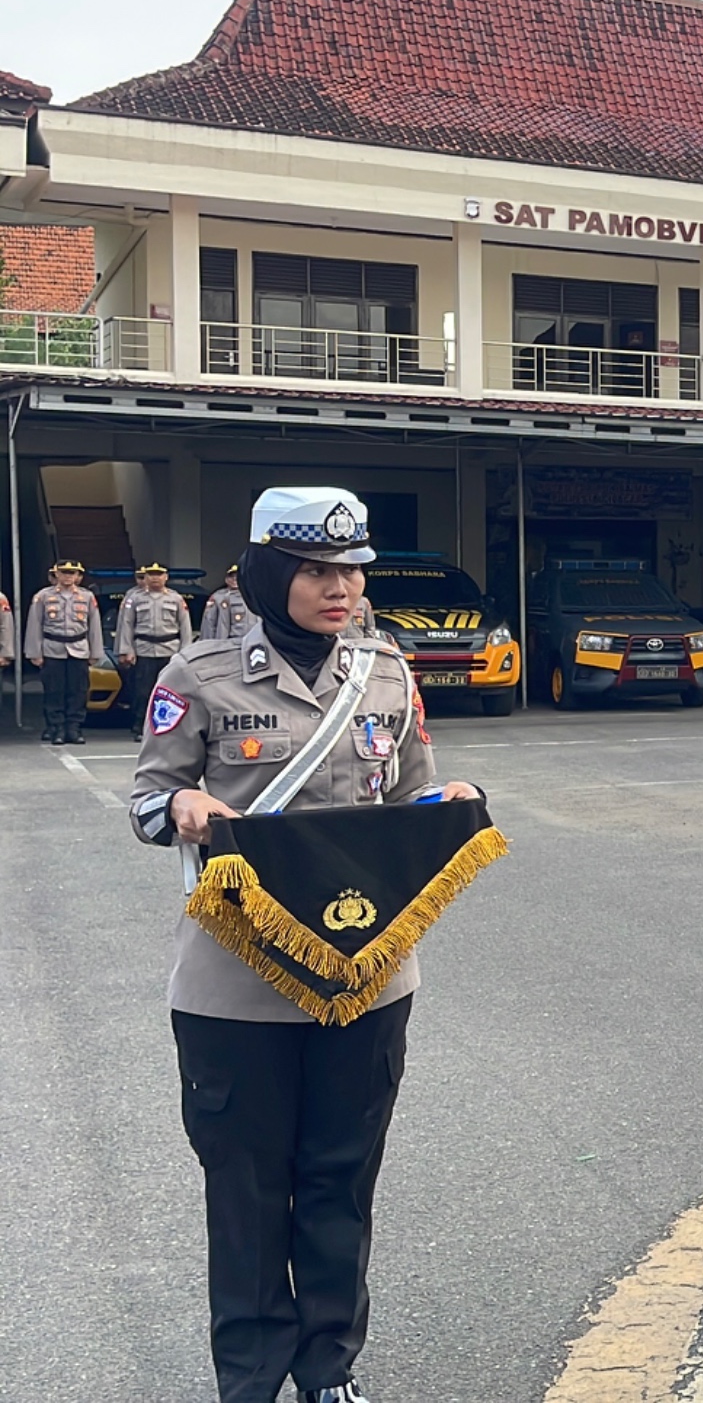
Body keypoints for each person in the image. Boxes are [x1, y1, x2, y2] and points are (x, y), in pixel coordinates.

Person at [129, 487, 481, 1403]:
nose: (341, 590)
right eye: (318, 571)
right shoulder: (199, 675)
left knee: (340, 1179)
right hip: (236, 982)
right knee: (246, 1188)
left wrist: (445, 805)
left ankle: (329, 1369)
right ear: (271, 572)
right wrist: (183, 804)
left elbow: (409, 793)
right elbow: (146, 800)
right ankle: (250, 1377)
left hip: (365, 974)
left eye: (353, 572)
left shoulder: (386, 672)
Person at [25, 559, 105, 745]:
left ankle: (74, 728)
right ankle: (57, 728)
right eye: (64, 572)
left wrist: (95, 652)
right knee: (54, 691)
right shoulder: (43, 596)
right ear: (56, 574)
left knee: (78, 691)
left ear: (78, 576)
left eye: (72, 573)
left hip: (79, 649)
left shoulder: (87, 596)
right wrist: (34, 652)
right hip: (52, 648)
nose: (68, 576)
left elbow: (94, 625)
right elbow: (35, 625)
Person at [118, 561, 198, 741]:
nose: (155, 578)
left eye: (159, 574)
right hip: (144, 650)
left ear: (166, 577)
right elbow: (127, 625)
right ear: (145, 577)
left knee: (170, 692)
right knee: (143, 692)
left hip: (169, 650)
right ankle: (142, 726)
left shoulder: (176, 598)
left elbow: (185, 626)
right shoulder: (135, 599)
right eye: (151, 575)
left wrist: (185, 652)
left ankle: (169, 726)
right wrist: (127, 650)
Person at [200, 564, 254, 641]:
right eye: (231, 576)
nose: (235, 579)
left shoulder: (253, 597)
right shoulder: (218, 597)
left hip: (250, 642)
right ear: (226, 579)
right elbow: (209, 623)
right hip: (227, 642)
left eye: (238, 576)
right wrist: (206, 644)